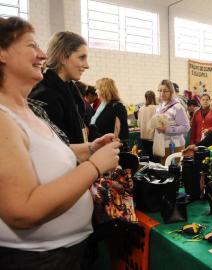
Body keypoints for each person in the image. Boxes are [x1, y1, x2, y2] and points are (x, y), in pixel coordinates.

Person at [0, 16, 121, 269]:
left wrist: (89, 149)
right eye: (32, 45)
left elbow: (40, 154)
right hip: (37, 259)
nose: (43, 54)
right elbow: (23, 210)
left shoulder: (26, 109)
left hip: (62, 252)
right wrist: (95, 167)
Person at [29, 31, 89, 144]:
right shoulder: (45, 96)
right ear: (63, 57)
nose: (87, 65)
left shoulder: (71, 90)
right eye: (82, 57)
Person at [155, 79, 190, 162]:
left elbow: (186, 127)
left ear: (171, 92)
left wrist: (167, 129)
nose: (162, 93)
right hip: (162, 145)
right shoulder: (160, 106)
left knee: (174, 172)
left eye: (165, 91)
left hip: (175, 146)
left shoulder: (177, 107)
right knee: (164, 172)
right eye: (160, 90)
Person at [89, 77, 129, 144]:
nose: (96, 91)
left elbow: (120, 133)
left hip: (109, 148)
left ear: (103, 89)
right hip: (99, 145)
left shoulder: (117, 106)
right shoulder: (103, 106)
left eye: (97, 89)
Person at [138, 90, 157, 161]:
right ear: (154, 97)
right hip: (153, 137)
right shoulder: (156, 108)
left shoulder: (141, 109)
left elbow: (138, 123)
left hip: (143, 136)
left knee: (146, 158)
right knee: (154, 159)